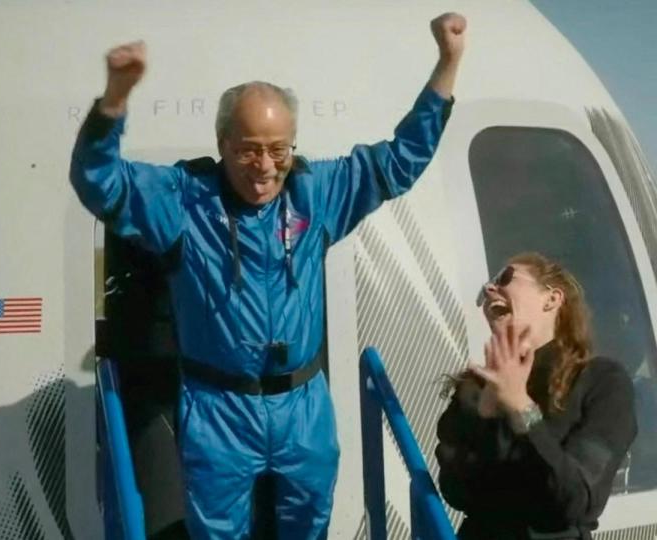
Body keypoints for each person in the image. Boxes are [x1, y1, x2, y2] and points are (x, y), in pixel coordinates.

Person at [71, 13, 465, 538]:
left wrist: (448, 62)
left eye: (279, 149)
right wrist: (114, 101)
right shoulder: (184, 200)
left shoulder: (316, 193)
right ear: (223, 143)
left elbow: (401, 160)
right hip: (219, 411)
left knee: (307, 527)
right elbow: (98, 183)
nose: (264, 165)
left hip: (303, 408)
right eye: (248, 148)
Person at [435, 252, 638, 540]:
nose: (490, 289)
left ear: (552, 299)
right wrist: (485, 416)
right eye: (487, 288)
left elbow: (575, 500)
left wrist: (521, 408)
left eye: (505, 278)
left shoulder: (602, 381)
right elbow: (455, 492)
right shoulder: (476, 388)